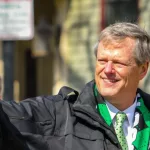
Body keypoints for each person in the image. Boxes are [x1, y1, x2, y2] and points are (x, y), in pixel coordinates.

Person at [1, 22, 150, 150]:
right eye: (102, 61)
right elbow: (8, 117)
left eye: (118, 63)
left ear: (143, 69)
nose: (108, 70)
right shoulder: (59, 115)